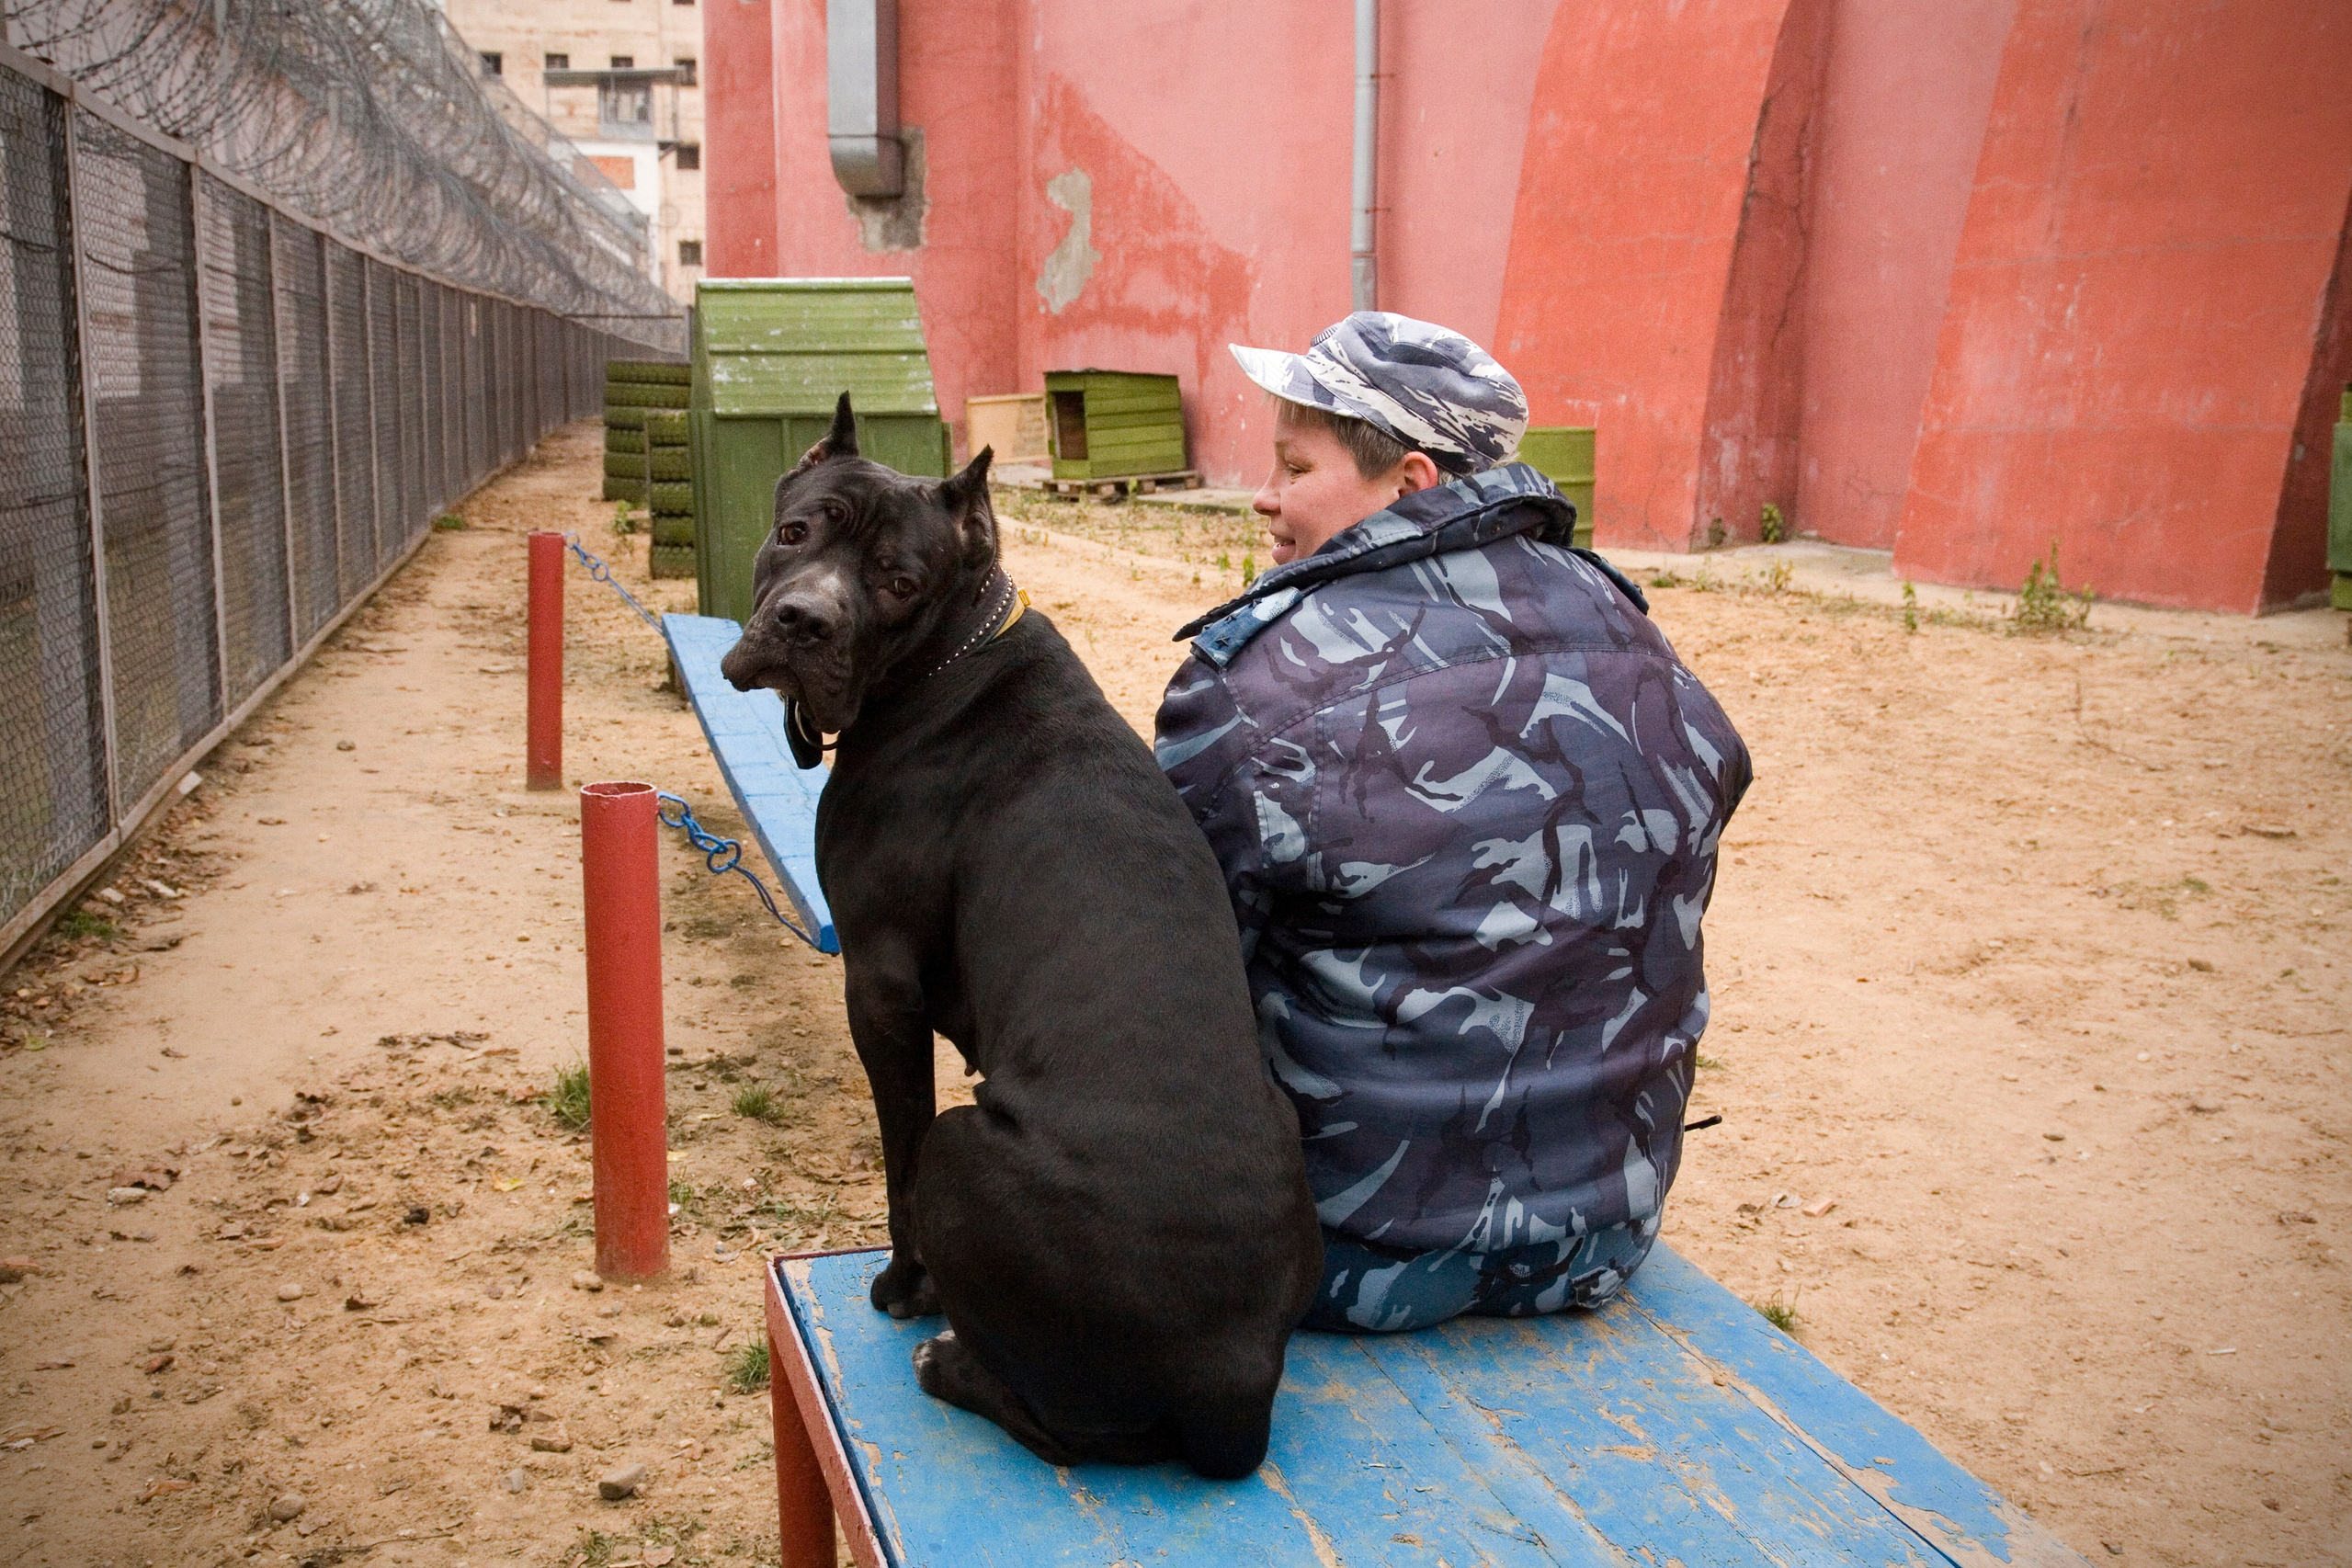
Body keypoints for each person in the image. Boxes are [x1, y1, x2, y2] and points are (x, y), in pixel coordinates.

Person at [1153, 312, 1752, 1333]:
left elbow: (1163, 970)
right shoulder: (1635, 635)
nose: (1264, 494)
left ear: (1412, 484)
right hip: (1602, 1237)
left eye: (1295, 465)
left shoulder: (1255, 683)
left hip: (1335, 1251)